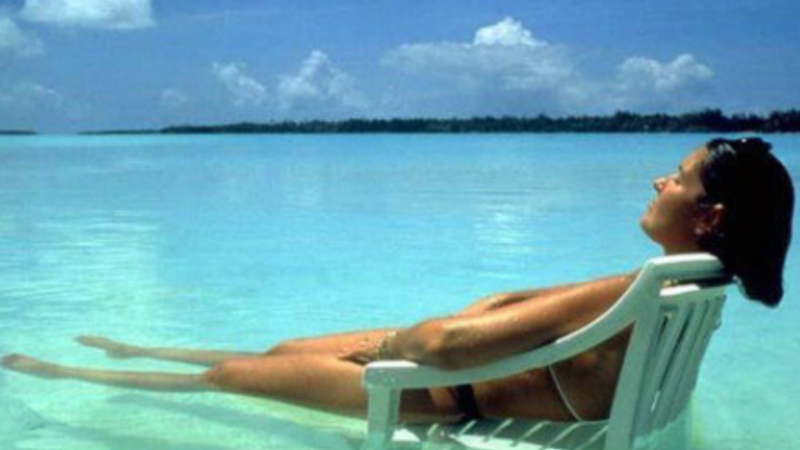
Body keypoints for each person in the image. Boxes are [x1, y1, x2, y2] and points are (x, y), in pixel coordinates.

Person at [2, 137, 794, 424]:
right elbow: (539, 318)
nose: (659, 180)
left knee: (227, 377)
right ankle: (138, 347)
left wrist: (396, 345)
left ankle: (68, 377)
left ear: (709, 216)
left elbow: (443, 345)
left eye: (677, 177)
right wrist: (479, 313)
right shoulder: (686, 281)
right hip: (462, 377)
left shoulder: (644, 283)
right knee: (279, 347)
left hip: (437, 393)